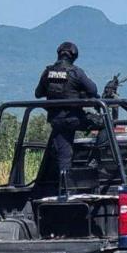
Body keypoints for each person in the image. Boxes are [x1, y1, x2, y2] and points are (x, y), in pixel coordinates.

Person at [34, 42, 98, 181]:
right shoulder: (76, 72)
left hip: (57, 121)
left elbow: (38, 93)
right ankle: (96, 158)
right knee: (104, 123)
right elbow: (93, 90)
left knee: (64, 157)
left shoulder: (48, 72)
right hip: (75, 118)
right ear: (74, 56)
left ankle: (65, 190)